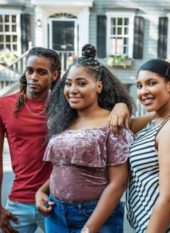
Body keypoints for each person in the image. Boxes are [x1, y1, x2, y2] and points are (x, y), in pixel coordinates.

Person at [35, 44, 134, 233]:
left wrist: (90, 228)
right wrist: (42, 191)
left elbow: (118, 183)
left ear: (99, 85)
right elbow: (64, 166)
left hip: (95, 217)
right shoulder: (63, 121)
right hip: (55, 213)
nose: (72, 89)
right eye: (68, 83)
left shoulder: (112, 121)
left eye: (81, 83)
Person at [126, 59, 170, 233]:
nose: (144, 92)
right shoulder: (159, 118)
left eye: (151, 83)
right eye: (139, 86)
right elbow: (127, 125)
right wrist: (121, 106)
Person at [0, 47, 61, 233]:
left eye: (42, 72)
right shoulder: (4, 105)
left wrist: (120, 106)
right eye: (30, 70)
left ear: (55, 75)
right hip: (19, 201)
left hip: (55, 202)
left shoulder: (63, 107)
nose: (34, 77)